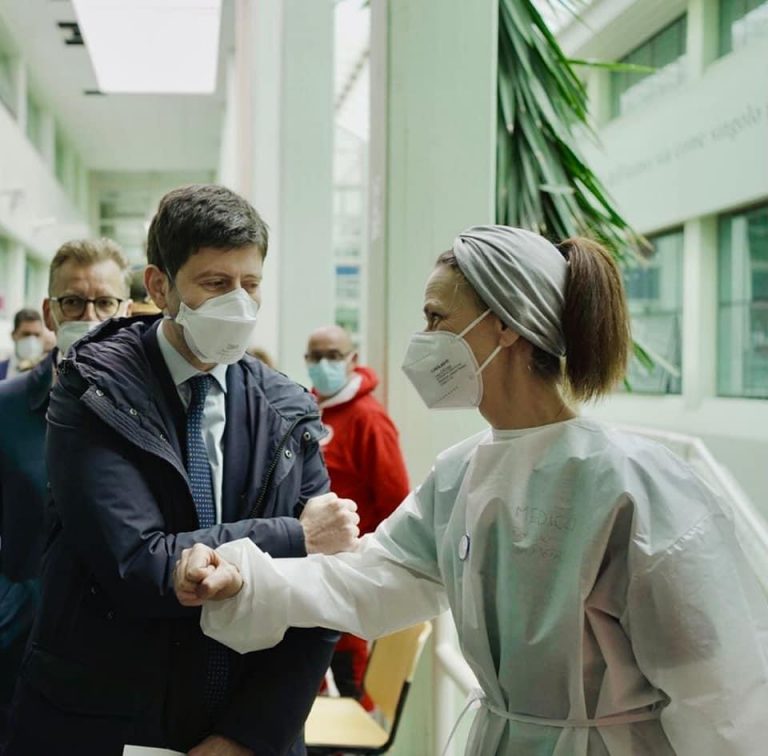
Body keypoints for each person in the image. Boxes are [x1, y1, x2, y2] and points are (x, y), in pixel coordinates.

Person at [177, 226, 768, 756]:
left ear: (506, 324)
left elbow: (721, 697)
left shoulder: (636, 484)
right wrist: (247, 577)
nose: (424, 338)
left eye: (437, 318)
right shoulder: (464, 471)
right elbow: (378, 577)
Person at [4, 185, 359, 756]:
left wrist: (249, 734)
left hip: (248, 723)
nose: (237, 304)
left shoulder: (286, 409)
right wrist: (294, 536)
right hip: (107, 722)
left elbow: (324, 589)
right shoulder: (93, 390)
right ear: (159, 287)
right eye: (215, 284)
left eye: (250, 284)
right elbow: (138, 561)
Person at [0, 238, 133, 740]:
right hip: (21, 664)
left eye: (105, 303)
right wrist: (20, 610)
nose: (89, 316)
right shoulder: (6, 409)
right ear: (49, 313)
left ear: (126, 312)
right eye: (73, 302)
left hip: (125, 667)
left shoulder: (156, 412)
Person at [305, 325, 410, 706]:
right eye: (315, 357)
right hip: (313, 573)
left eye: (333, 356)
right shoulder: (307, 411)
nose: (323, 364)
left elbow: (396, 504)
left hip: (352, 577)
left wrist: (373, 569)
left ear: (352, 360)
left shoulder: (369, 418)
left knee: (349, 685)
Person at [0, 309, 45, 379]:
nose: (32, 340)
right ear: (13, 335)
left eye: (37, 335)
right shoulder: (2, 370)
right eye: (26, 334)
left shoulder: (50, 373)